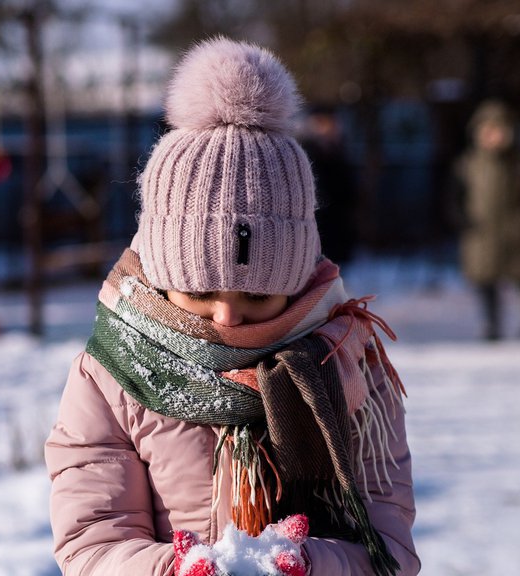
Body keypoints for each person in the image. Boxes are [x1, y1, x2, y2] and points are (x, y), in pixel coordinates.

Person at [44, 37, 419, 576]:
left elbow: (391, 553)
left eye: (258, 296)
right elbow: (91, 541)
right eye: (198, 293)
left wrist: (310, 565)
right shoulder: (109, 375)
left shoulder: (347, 362)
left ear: (295, 280)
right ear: (158, 269)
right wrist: (172, 571)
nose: (226, 317)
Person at [450, 100, 520, 341]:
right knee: (485, 282)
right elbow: (454, 197)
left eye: (498, 130)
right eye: (487, 130)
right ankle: (491, 325)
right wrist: (463, 220)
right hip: (481, 235)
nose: (492, 136)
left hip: (515, 233)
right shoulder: (468, 164)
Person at [301, 106, 358, 266]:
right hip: (317, 221)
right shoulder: (306, 151)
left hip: (338, 220)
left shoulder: (340, 151)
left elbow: (349, 189)